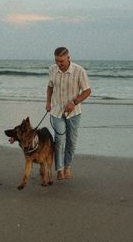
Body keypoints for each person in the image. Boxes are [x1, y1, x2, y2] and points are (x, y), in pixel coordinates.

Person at [46, 47, 91, 180]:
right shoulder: (52, 69)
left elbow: (87, 91)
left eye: (62, 61)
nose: (59, 64)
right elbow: (50, 86)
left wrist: (75, 102)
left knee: (71, 141)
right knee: (59, 139)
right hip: (56, 110)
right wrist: (48, 102)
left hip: (74, 113)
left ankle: (67, 167)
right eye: (57, 61)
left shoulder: (79, 71)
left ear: (68, 58)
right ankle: (59, 169)